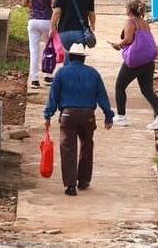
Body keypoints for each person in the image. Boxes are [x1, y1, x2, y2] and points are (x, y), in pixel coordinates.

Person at [43, 42, 114, 196]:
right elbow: (102, 97)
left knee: (68, 149)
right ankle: (84, 180)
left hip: (68, 115)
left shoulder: (61, 73)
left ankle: (70, 185)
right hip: (88, 116)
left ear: (70, 56)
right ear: (83, 59)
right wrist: (109, 116)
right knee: (87, 146)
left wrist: (48, 115)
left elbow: (53, 97)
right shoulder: (93, 74)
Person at [110, 0, 158, 130]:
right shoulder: (144, 23)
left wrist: (117, 45)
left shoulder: (130, 22)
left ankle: (121, 116)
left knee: (120, 86)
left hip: (135, 61)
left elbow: (128, 39)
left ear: (129, 10)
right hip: (148, 61)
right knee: (147, 90)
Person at [51, 0, 95, 79]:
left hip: (64, 32)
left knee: (67, 58)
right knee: (78, 59)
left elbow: (56, 13)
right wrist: (92, 26)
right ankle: (77, 80)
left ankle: (66, 80)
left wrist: (52, 27)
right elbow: (91, 14)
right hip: (81, 32)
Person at [23, 0, 56, 88]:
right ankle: (48, 76)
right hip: (47, 20)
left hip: (33, 21)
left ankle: (34, 79)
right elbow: (54, 3)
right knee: (49, 49)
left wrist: (34, 5)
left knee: (34, 50)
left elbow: (24, 3)